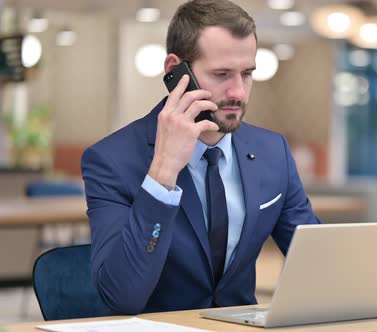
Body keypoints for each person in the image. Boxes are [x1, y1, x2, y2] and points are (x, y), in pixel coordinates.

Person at [81, 0, 320, 315]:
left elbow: (317, 263)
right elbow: (122, 296)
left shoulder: (272, 151)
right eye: (222, 74)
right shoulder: (111, 160)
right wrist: (163, 172)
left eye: (247, 74)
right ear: (175, 72)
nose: (239, 92)